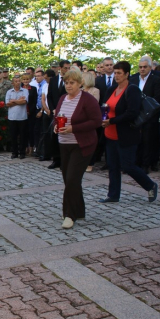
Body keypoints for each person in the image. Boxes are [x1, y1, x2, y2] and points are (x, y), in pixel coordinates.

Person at [100, 61, 158, 204]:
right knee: (112, 165)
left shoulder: (132, 90)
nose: (116, 76)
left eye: (119, 73)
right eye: (115, 73)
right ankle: (113, 194)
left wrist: (112, 121)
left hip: (126, 134)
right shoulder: (111, 89)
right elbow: (105, 106)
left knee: (128, 166)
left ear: (127, 74)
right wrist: (103, 117)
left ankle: (150, 185)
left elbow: (132, 113)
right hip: (110, 133)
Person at [54, 68, 102, 229]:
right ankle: (79, 210)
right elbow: (58, 117)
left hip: (82, 144)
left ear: (80, 83)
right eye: (66, 83)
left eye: (72, 83)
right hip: (64, 144)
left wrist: (73, 128)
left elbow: (96, 121)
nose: (68, 86)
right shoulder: (62, 98)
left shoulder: (87, 100)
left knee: (72, 179)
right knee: (69, 179)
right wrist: (56, 126)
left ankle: (69, 214)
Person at [6, 75, 28, 159]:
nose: (18, 82)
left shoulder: (25, 91)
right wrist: (19, 100)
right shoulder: (9, 92)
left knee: (23, 136)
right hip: (12, 117)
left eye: (19, 81)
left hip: (22, 117)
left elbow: (24, 101)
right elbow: (7, 104)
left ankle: (22, 153)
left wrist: (13, 101)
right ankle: (14, 152)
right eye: (16, 81)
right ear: (12, 83)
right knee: (13, 136)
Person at [20, 73, 38, 156]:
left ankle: (31, 147)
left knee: (31, 131)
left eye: (27, 79)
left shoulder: (33, 89)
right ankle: (25, 147)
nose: (25, 81)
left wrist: (29, 111)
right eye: (24, 79)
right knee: (23, 131)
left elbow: (34, 101)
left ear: (30, 80)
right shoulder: (20, 89)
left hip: (31, 113)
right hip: (22, 112)